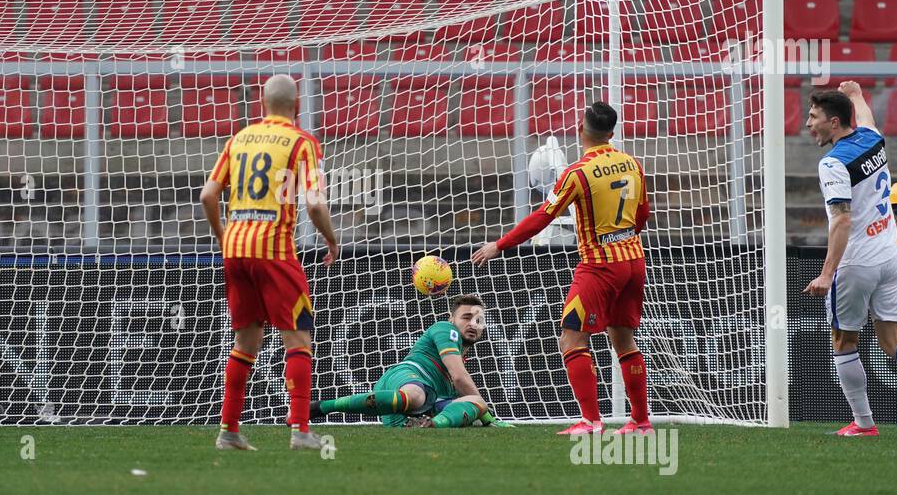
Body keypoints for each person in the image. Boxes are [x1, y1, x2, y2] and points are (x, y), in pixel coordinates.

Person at [473, 101, 652, 436]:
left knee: (571, 337)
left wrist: (499, 245)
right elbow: (642, 216)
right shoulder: (632, 163)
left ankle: (590, 421)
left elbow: (543, 217)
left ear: (580, 129)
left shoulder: (578, 173)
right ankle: (640, 422)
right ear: (611, 134)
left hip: (600, 266)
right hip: (634, 261)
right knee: (624, 341)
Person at [802, 82, 897, 438]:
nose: (809, 124)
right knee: (892, 337)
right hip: (890, 255)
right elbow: (867, 118)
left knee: (843, 341)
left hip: (856, 263)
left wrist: (827, 274)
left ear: (835, 122)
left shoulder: (833, 163)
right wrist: (856, 94)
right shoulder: (872, 138)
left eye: (814, 117)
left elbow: (841, 219)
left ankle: (864, 423)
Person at [199, 74, 339, 451]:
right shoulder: (302, 142)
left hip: (235, 249)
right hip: (274, 250)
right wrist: (330, 237)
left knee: (246, 338)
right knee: (298, 336)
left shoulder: (240, 138)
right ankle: (300, 431)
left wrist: (221, 234)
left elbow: (209, 194)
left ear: (262, 104)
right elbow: (313, 202)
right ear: (297, 106)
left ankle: (228, 431)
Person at [310, 294, 512, 429]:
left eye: (478, 320)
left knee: (474, 402)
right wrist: (489, 418)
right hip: (405, 378)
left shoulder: (459, 358)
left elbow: (463, 395)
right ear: (451, 320)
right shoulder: (445, 329)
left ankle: (432, 426)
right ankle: (322, 407)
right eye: (466, 317)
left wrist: (481, 412)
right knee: (417, 395)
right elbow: (459, 377)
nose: (473, 324)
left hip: (407, 415)